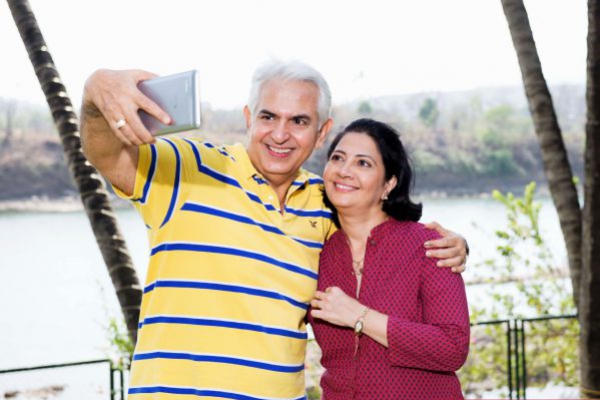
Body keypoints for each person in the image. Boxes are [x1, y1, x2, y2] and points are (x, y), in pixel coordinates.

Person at [80, 60, 469, 399]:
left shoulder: (325, 202)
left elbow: (380, 229)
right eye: (268, 117)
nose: (280, 134)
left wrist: (456, 245)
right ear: (248, 117)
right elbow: (107, 155)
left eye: (299, 121)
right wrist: (96, 93)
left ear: (321, 132)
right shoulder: (188, 169)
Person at [309, 118, 470, 399]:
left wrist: (359, 316)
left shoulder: (428, 246)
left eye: (363, 163)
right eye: (337, 158)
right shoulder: (316, 251)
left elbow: (453, 347)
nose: (344, 171)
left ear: (388, 184)